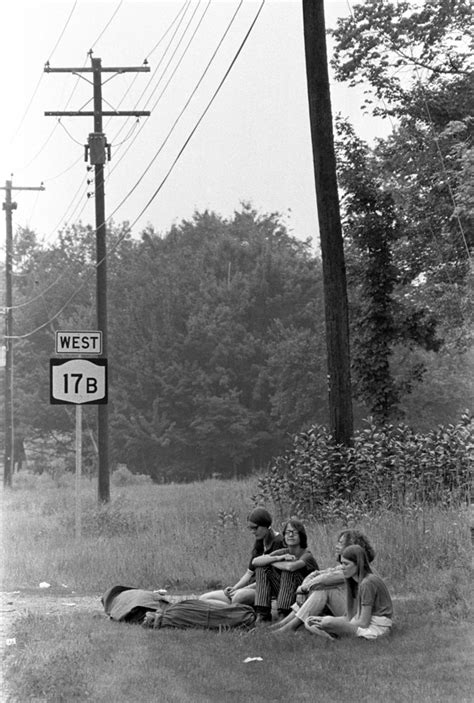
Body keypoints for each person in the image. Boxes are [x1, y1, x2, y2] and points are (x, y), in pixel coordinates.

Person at [270, 529, 375, 634]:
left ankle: (289, 627)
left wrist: (303, 588)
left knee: (323, 589)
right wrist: (304, 587)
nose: (336, 546)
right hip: (349, 608)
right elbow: (316, 573)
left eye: (341, 543)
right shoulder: (344, 566)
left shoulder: (353, 568)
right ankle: (284, 624)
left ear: (351, 547)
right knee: (318, 587)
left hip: (356, 614)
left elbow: (325, 580)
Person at [305, 544, 393, 640]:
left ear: (358, 564)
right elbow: (350, 616)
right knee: (310, 622)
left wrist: (334, 624)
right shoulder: (354, 582)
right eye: (342, 563)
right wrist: (323, 620)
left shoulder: (367, 583)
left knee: (327, 623)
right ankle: (333, 636)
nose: (342, 567)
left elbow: (363, 622)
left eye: (346, 564)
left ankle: (334, 637)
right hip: (360, 624)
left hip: (376, 628)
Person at [199, 507, 285, 606]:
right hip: (249, 587)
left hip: (264, 590)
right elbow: (249, 573)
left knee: (239, 597)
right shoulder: (260, 540)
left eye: (255, 528)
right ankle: (229, 610)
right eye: (250, 528)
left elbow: (271, 578)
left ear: (265, 525)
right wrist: (234, 588)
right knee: (204, 598)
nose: (253, 531)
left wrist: (241, 590)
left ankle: (232, 611)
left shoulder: (278, 542)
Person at [252, 519, 319, 623]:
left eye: (294, 532)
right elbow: (255, 562)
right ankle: (262, 614)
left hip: (304, 594)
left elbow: (291, 567)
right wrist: (278, 558)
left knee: (288, 572)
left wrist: (270, 562)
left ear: (301, 536)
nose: (290, 535)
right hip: (285, 592)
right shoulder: (283, 552)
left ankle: (284, 614)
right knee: (261, 568)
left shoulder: (307, 555)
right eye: (287, 532)